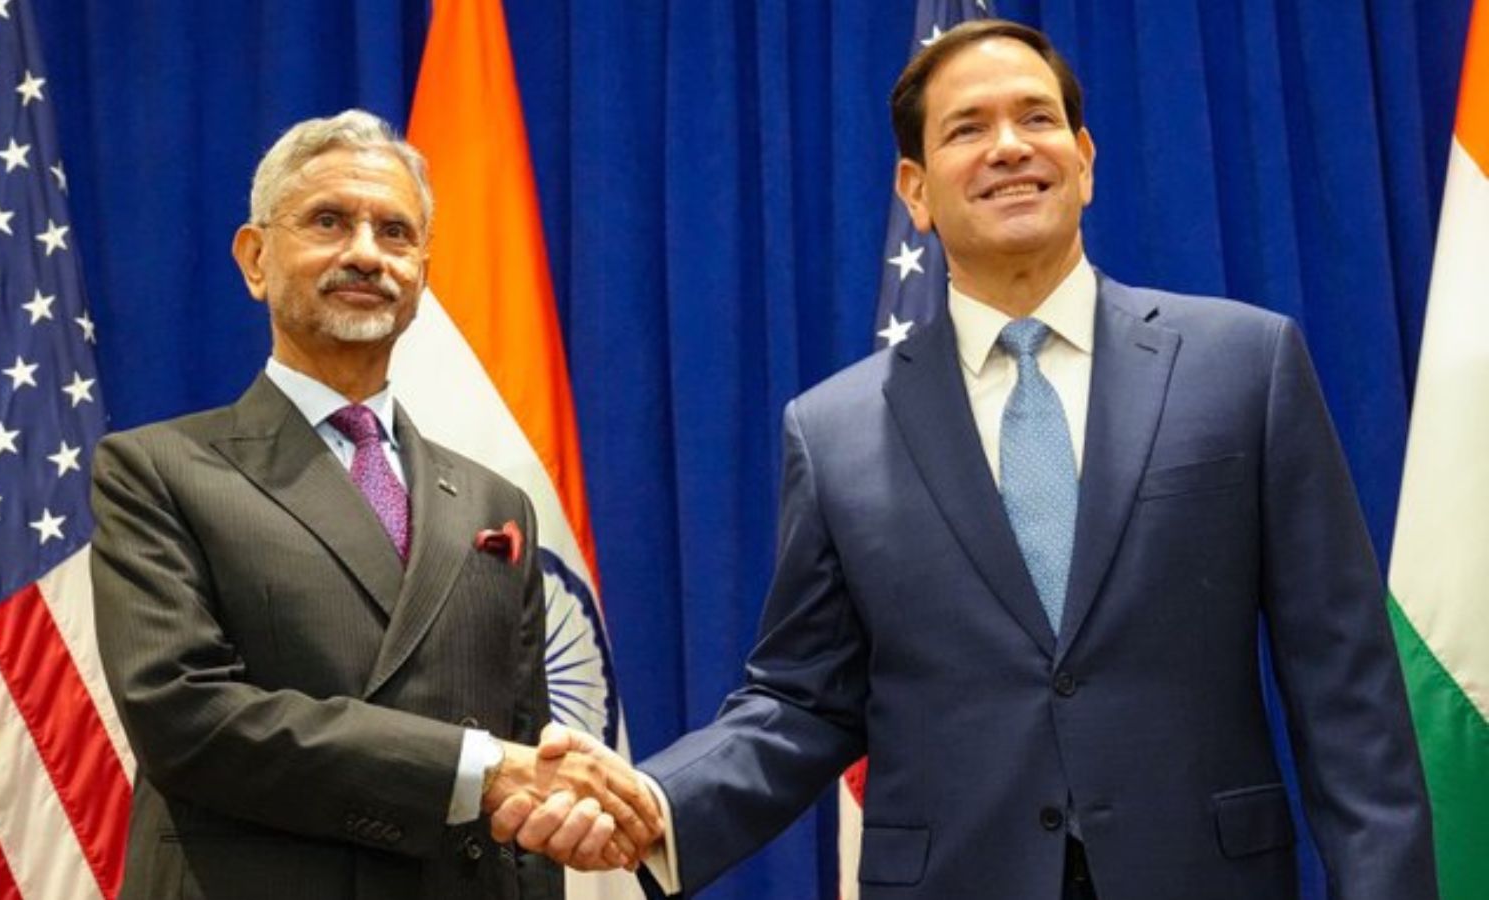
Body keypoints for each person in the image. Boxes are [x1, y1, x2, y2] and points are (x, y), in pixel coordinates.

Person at [503, 20, 1437, 900]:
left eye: (1038, 118)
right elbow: (801, 700)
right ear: (916, 189)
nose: (1009, 147)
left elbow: (1344, 684)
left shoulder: (1245, 364)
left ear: (1086, 160)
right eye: (968, 129)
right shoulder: (832, 430)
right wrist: (656, 801)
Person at [90, 110, 658, 900]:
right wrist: (477, 770)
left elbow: (528, 770)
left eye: (395, 233)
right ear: (255, 259)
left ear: (423, 272)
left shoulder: (496, 504)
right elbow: (185, 718)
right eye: (329, 221)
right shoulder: (157, 470)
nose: (365, 253)